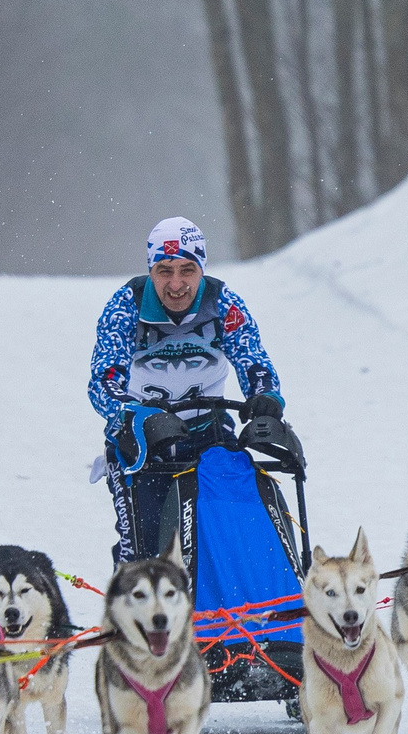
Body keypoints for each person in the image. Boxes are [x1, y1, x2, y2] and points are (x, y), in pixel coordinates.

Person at [86, 215, 298, 566]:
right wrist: (133, 413)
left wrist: (264, 396)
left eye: (187, 270)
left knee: (233, 529)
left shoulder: (223, 303)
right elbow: (103, 381)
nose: (176, 284)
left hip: (208, 433)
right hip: (140, 441)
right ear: (150, 270)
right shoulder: (126, 306)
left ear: (201, 269)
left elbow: (252, 358)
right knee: (147, 547)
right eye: (164, 270)